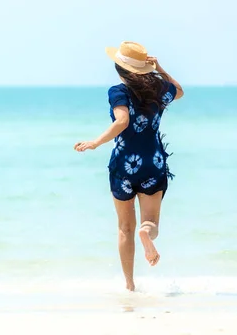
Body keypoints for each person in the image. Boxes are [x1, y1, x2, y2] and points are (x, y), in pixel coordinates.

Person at [74, 41, 184, 291]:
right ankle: (146, 234)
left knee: (125, 228)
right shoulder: (159, 89)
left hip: (124, 165)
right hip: (153, 163)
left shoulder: (117, 92)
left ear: (121, 69)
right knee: (150, 223)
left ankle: (130, 285)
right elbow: (179, 90)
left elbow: (122, 121)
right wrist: (160, 69)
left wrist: (95, 142)